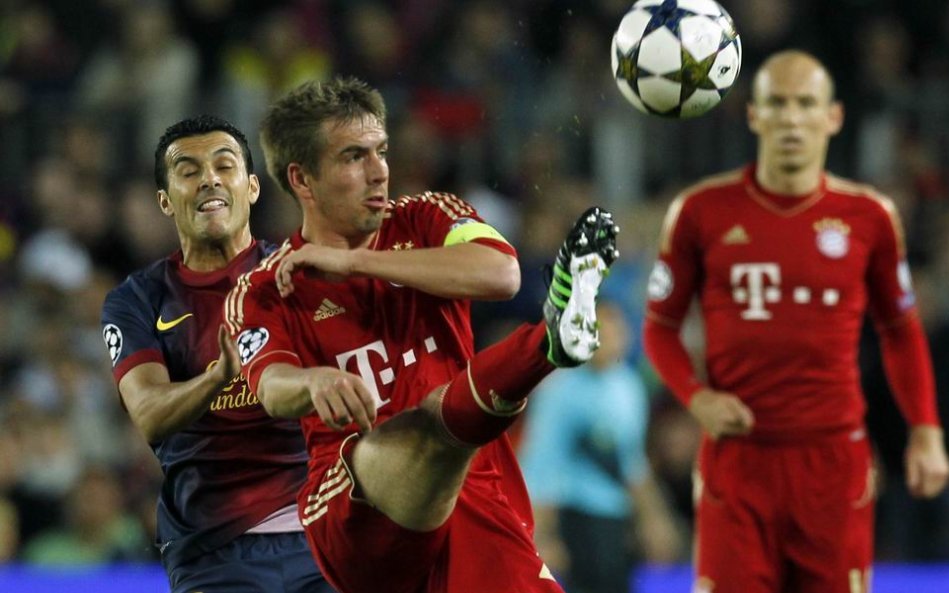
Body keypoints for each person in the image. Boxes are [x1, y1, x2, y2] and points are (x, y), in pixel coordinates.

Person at [224, 77, 618, 593]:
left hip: (471, 494)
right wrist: (312, 382)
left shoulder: (428, 216)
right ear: (302, 179)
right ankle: (550, 341)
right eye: (353, 157)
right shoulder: (264, 287)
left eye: (381, 152)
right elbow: (272, 388)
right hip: (355, 502)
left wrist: (355, 261)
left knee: (442, 429)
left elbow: (501, 273)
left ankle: (554, 336)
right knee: (432, 423)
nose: (379, 171)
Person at [642, 50, 949, 593]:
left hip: (832, 463)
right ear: (754, 115)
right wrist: (696, 397)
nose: (790, 118)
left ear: (832, 117)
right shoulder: (699, 212)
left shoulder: (870, 217)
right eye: (776, 104)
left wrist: (925, 431)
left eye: (805, 103)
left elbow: (900, 330)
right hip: (739, 464)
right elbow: (659, 327)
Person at [100, 115, 335, 593]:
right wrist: (220, 376)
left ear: (251, 187)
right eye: (188, 170)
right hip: (213, 551)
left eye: (224, 165)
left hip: (322, 532)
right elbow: (148, 412)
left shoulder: (303, 275)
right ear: (166, 201)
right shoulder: (138, 299)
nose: (208, 177)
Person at [520, 300, 683, 593]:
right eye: (601, 330)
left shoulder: (628, 387)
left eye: (616, 329)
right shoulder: (559, 390)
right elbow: (542, 466)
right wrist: (541, 535)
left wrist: (653, 520)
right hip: (575, 518)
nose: (610, 338)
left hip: (616, 519)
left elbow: (632, 463)